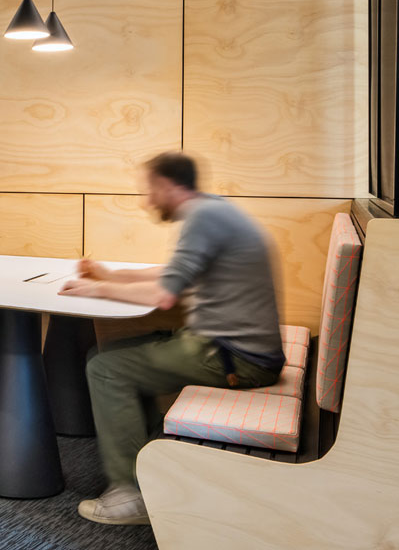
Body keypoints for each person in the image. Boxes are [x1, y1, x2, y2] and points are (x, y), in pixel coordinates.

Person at [58, 151, 284, 526]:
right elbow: (174, 273)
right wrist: (109, 275)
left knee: (105, 369)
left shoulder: (202, 218)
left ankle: (131, 496)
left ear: (165, 186)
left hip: (236, 358)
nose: (146, 201)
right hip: (238, 349)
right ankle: (147, 463)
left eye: (148, 191)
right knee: (107, 353)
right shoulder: (213, 210)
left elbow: (163, 295)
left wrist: (93, 290)